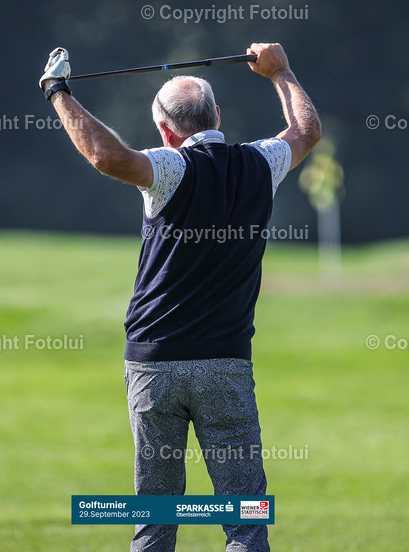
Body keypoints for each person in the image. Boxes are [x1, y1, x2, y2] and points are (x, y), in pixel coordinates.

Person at [39, 42, 321, 551]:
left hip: (155, 366)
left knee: (154, 518)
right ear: (218, 116)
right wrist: (281, 72)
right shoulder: (262, 162)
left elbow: (106, 155)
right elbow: (306, 131)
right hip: (226, 366)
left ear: (165, 132)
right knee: (245, 518)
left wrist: (57, 91)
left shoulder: (169, 168)